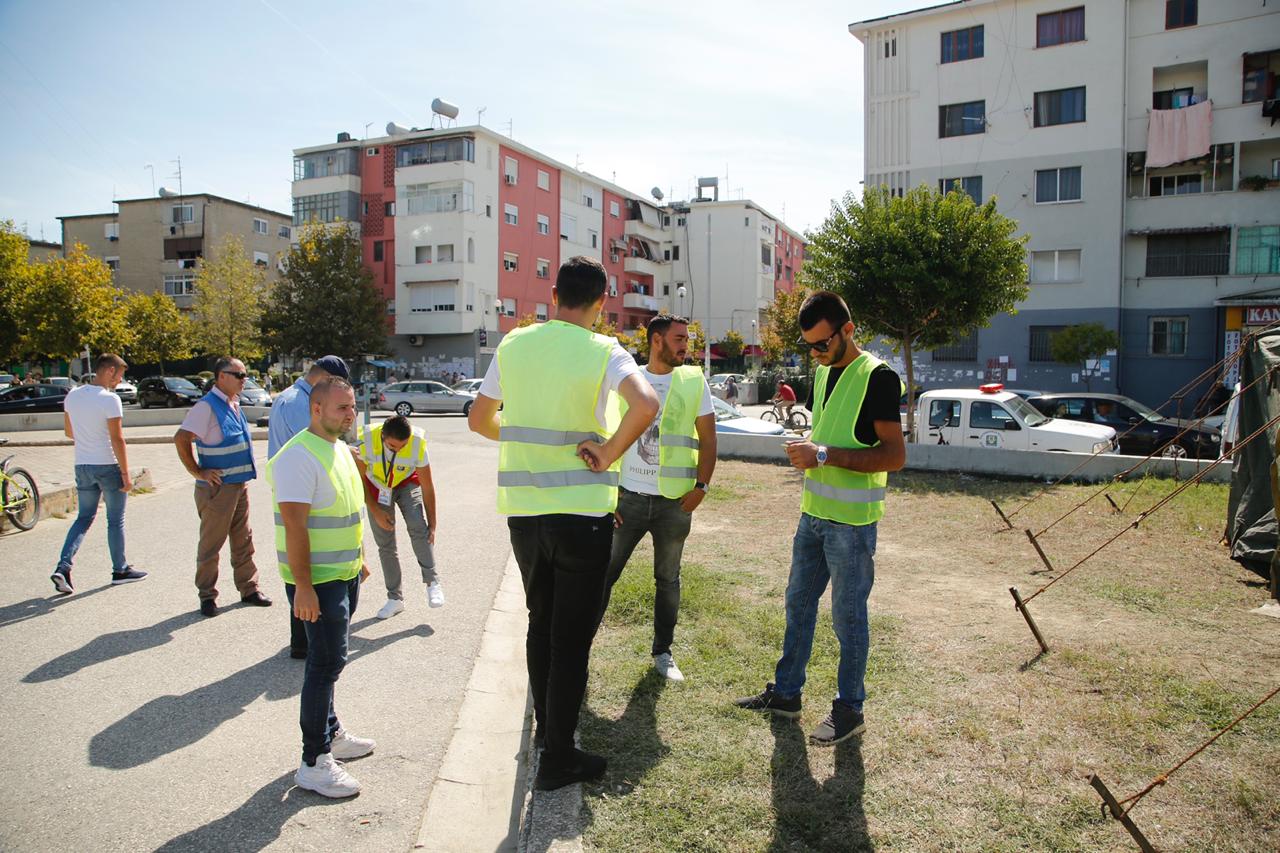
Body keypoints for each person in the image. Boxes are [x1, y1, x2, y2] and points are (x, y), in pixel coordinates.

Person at [468, 255, 659, 791]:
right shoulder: (604, 349)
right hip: (582, 517)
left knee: (540, 621)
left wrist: (525, 441)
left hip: (526, 516)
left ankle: (546, 733)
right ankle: (558, 756)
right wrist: (607, 450)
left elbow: (480, 419)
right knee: (571, 640)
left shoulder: (514, 344)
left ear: (553, 295)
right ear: (601, 304)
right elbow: (645, 404)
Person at [735, 291, 906, 746]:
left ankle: (850, 709)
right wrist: (808, 444)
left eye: (821, 344)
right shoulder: (825, 373)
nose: (814, 354)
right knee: (798, 605)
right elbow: (829, 433)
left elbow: (895, 455)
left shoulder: (880, 378)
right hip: (813, 515)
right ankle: (787, 694)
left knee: (848, 619)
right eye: (808, 346)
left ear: (847, 331)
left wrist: (823, 453)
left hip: (851, 525)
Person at [268, 377, 375, 798]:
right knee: (325, 663)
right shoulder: (296, 457)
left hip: (343, 573)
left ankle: (331, 733)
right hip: (318, 582)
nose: (349, 415)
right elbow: (295, 526)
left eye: (351, 407)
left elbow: (347, 511)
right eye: (341, 408)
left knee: (330, 661)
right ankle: (314, 761)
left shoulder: (338, 450)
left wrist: (359, 558)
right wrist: (304, 588)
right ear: (316, 409)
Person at [601, 314, 717, 682]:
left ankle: (663, 652)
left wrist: (701, 488)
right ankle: (579, 643)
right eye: (680, 338)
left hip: (673, 503)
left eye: (688, 339)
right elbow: (606, 433)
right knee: (603, 574)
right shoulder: (629, 379)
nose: (687, 345)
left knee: (668, 579)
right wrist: (609, 496)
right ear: (656, 340)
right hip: (628, 499)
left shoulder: (693, 381)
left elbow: (709, 440)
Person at [174, 356, 272, 617]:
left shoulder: (234, 403)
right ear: (221, 377)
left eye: (245, 375)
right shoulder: (207, 406)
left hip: (238, 486)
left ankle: (249, 588)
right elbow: (181, 438)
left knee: (243, 540)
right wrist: (198, 471)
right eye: (239, 375)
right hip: (218, 490)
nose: (244, 380)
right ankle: (207, 596)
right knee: (211, 545)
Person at [268, 355, 350, 659]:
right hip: (300, 487)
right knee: (303, 562)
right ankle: (304, 642)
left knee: (302, 557)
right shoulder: (298, 404)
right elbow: (316, 442)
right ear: (322, 377)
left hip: (297, 485)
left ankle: (303, 640)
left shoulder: (290, 396)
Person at [50, 353, 147, 593]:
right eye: (120, 374)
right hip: (107, 465)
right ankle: (120, 569)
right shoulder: (109, 399)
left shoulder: (72, 396)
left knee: (83, 518)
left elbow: (69, 432)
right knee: (115, 520)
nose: (120, 380)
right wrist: (125, 474)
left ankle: (63, 567)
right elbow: (117, 439)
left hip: (82, 465)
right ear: (109, 370)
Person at [353, 414, 442, 618]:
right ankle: (395, 599)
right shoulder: (365, 441)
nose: (398, 450)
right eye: (393, 447)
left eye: (402, 446)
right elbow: (360, 481)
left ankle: (432, 582)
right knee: (386, 543)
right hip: (376, 487)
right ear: (383, 436)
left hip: (406, 482)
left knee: (419, 527)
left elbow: (427, 487)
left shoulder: (417, 443)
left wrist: (433, 525)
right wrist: (375, 511)